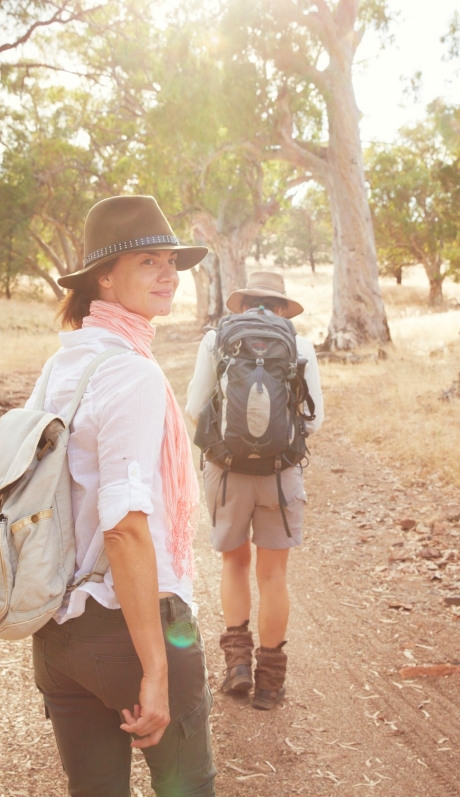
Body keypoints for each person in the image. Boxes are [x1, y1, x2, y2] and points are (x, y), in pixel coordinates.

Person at [26, 195, 216, 797]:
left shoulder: (64, 366)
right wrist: (156, 668)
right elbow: (126, 528)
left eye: (171, 261)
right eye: (147, 262)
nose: (168, 274)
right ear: (103, 278)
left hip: (61, 635)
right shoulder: (131, 373)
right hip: (133, 627)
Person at [185, 270, 324, 711]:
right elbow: (314, 420)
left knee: (234, 562)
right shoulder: (299, 344)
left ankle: (237, 667)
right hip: (279, 475)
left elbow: (193, 407)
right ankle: (269, 683)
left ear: (243, 302)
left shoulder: (216, 339)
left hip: (226, 471)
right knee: (273, 574)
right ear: (283, 306)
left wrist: (226, 446)